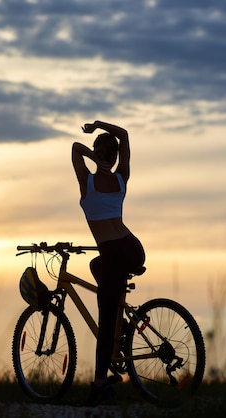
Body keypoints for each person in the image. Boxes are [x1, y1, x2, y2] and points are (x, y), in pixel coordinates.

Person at [72, 120, 146, 406]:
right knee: (96, 266)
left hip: (115, 252)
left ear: (96, 153)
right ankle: (121, 322)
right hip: (132, 247)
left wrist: (91, 154)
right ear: (114, 157)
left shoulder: (87, 182)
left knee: (104, 322)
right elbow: (124, 135)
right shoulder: (120, 179)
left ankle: (100, 385)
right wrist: (99, 125)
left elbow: (74, 149)